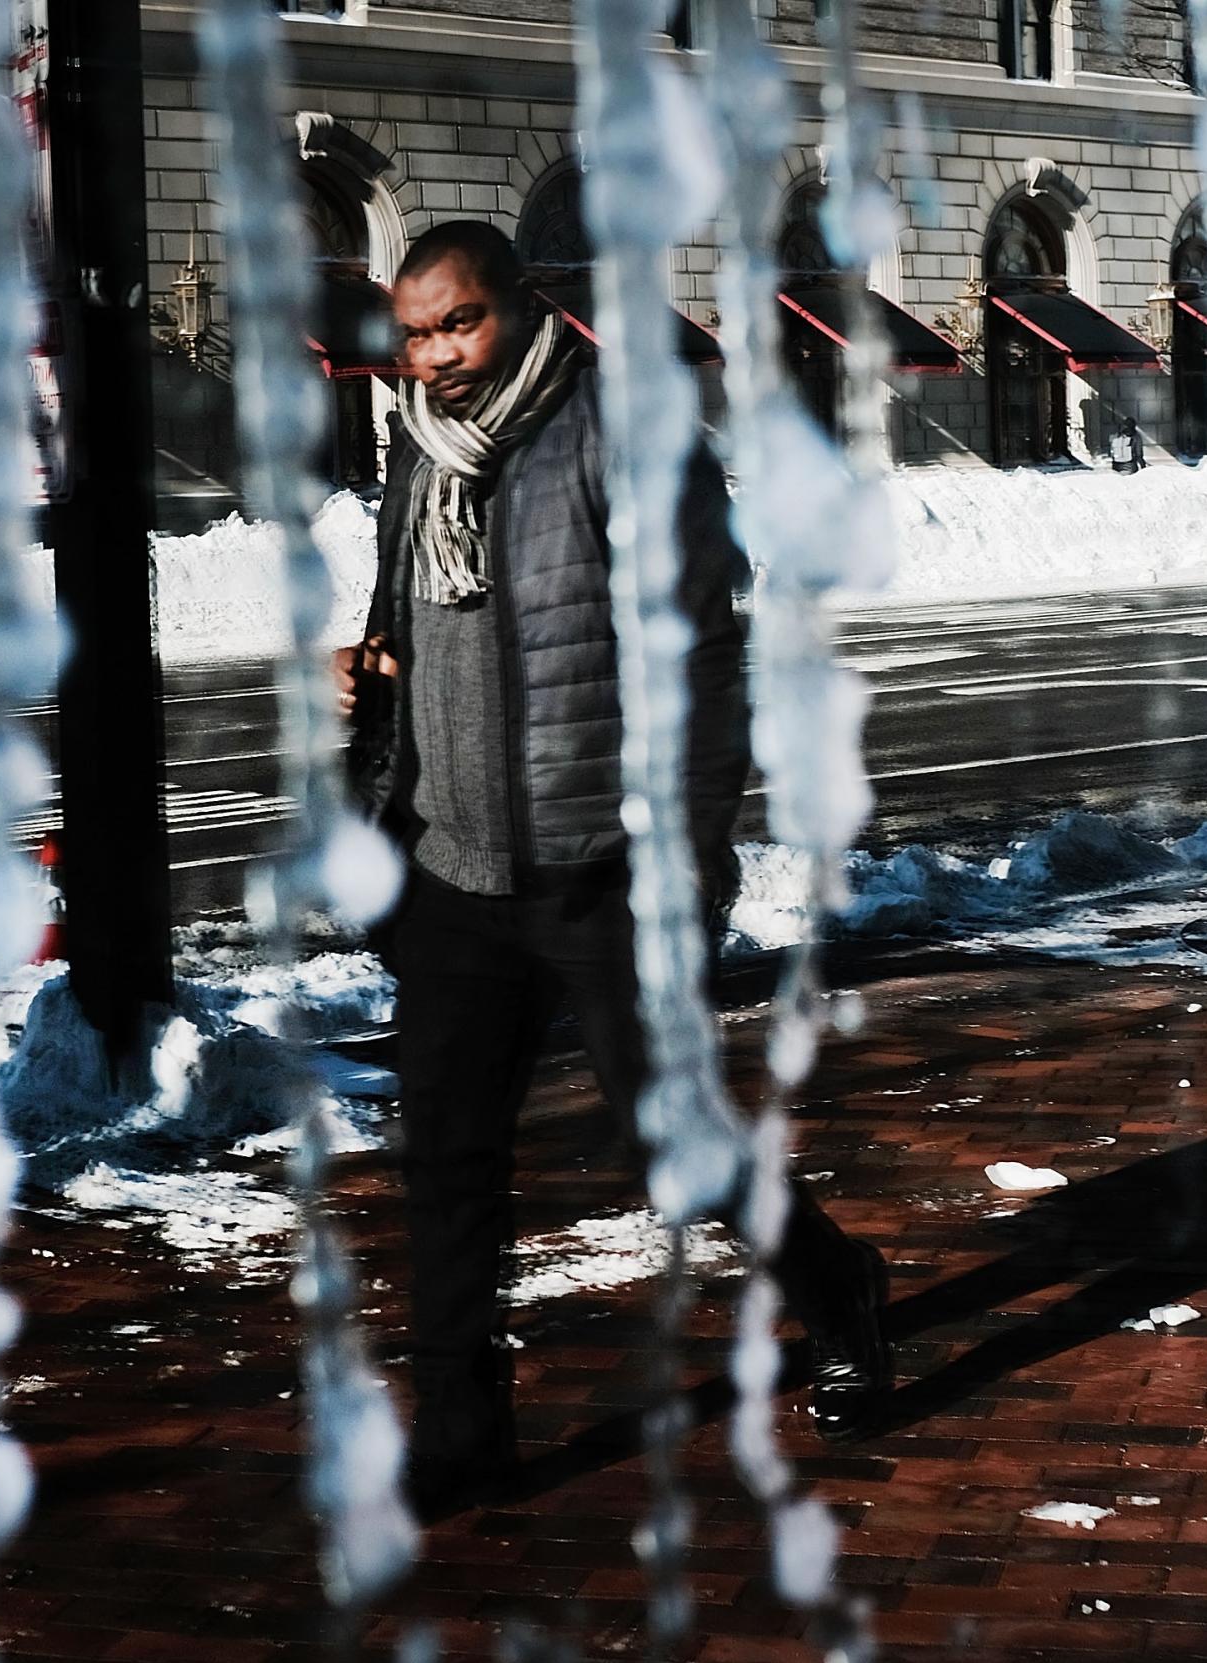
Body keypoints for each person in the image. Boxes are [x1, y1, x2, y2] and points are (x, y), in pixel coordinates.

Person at [331, 221, 889, 1514]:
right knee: (451, 1164)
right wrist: (373, 678)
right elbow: (407, 623)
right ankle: (465, 1435)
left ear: (523, 310)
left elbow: (703, 668)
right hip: (454, 876)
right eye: (413, 333)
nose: (433, 356)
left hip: (604, 872)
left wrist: (686, 869)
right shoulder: (418, 457)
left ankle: (838, 1287)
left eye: (457, 323)